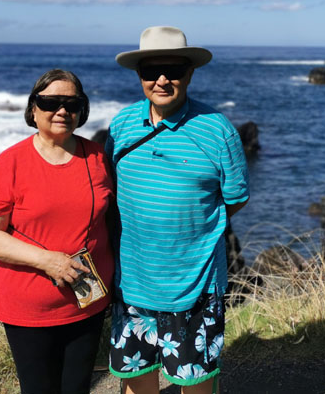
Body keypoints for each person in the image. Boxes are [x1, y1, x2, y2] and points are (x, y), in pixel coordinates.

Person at [106, 26, 249, 394]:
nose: (163, 80)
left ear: (190, 73)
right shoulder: (122, 125)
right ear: (139, 76)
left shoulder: (218, 131)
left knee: (196, 385)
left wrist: (193, 229)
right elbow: (110, 183)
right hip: (133, 282)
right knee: (137, 384)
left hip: (196, 284)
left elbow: (236, 197)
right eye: (151, 72)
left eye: (174, 70)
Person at [0, 69, 114, 394]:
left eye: (72, 103)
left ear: (83, 110)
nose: (62, 110)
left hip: (87, 300)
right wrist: (47, 261)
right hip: (30, 311)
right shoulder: (12, 162)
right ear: (33, 109)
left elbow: (112, 220)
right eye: (51, 102)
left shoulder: (97, 157)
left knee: (77, 388)